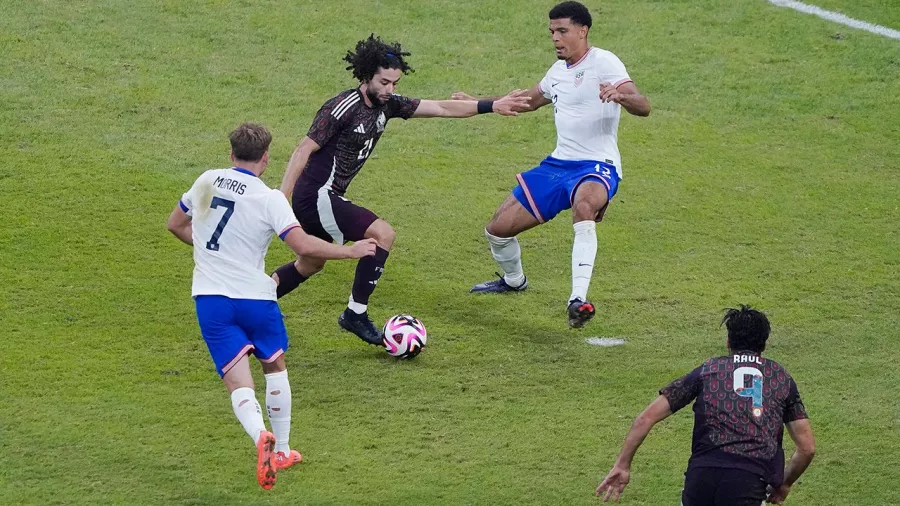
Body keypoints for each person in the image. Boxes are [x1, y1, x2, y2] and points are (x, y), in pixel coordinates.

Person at [272, 34, 530, 346]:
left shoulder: (388, 106)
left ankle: (256, 298)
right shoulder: (343, 106)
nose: (389, 89)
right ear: (367, 76)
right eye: (383, 82)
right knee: (382, 234)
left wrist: (492, 105)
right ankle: (355, 314)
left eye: (394, 83)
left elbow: (441, 109)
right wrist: (281, 197)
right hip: (315, 196)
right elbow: (303, 150)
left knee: (311, 262)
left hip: (329, 197)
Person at [166, 123, 377, 490]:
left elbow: (175, 224)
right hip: (256, 298)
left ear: (231, 154)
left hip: (211, 298)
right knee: (274, 367)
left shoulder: (207, 179)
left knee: (237, 381)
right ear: (266, 158)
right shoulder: (270, 198)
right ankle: (283, 449)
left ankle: (259, 434)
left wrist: (210, 253)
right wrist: (350, 250)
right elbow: (304, 247)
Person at [453, 1, 651, 329]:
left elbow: (643, 106)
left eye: (562, 31)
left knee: (584, 206)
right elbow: (529, 101)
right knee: (497, 231)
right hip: (557, 166)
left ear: (583, 31)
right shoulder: (557, 73)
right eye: (552, 32)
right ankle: (514, 281)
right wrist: (480, 102)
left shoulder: (604, 62)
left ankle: (578, 299)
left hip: (596, 165)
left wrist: (621, 97)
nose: (556, 38)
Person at [596, 306, 816, 505]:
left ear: (728, 341)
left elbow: (646, 418)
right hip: (748, 479)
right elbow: (807, 448)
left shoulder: (708, 370)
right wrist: (784, 484)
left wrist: (623, 465)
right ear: (764, 344)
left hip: (702, 476)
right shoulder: (780, 377)